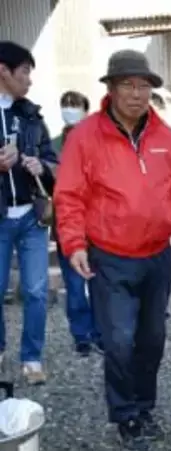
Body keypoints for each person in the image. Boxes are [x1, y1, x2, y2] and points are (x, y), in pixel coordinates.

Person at [54, 50, 171, 451]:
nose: (138, 94)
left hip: (158, 256)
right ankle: (124, 414)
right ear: (111, 89)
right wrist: (74, 244)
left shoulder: (164, 136)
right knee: (119, 340)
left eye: (144, 86)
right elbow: (68, 196)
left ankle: (144, 406)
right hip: (111, 257)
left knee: (152, 339)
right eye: (128, 85)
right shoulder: (85, 136)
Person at [0, 41, 57, 385]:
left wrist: (43, 165)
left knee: (36, 291)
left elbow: (54, 158)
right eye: (25, 73)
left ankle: (32, 357)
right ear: (3, 71)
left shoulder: (31, 114)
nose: (29, 81)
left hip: (33, 216)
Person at [52, 90, 101, 356]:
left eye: (75, 105)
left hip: (97, 226)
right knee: (74, 285)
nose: (69, 109)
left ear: (85, 109)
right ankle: (81, 335)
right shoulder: (53, 145)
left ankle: (100, 332)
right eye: (65, 104)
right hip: (67, 227)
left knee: (99, 283)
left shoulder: (98, 141)